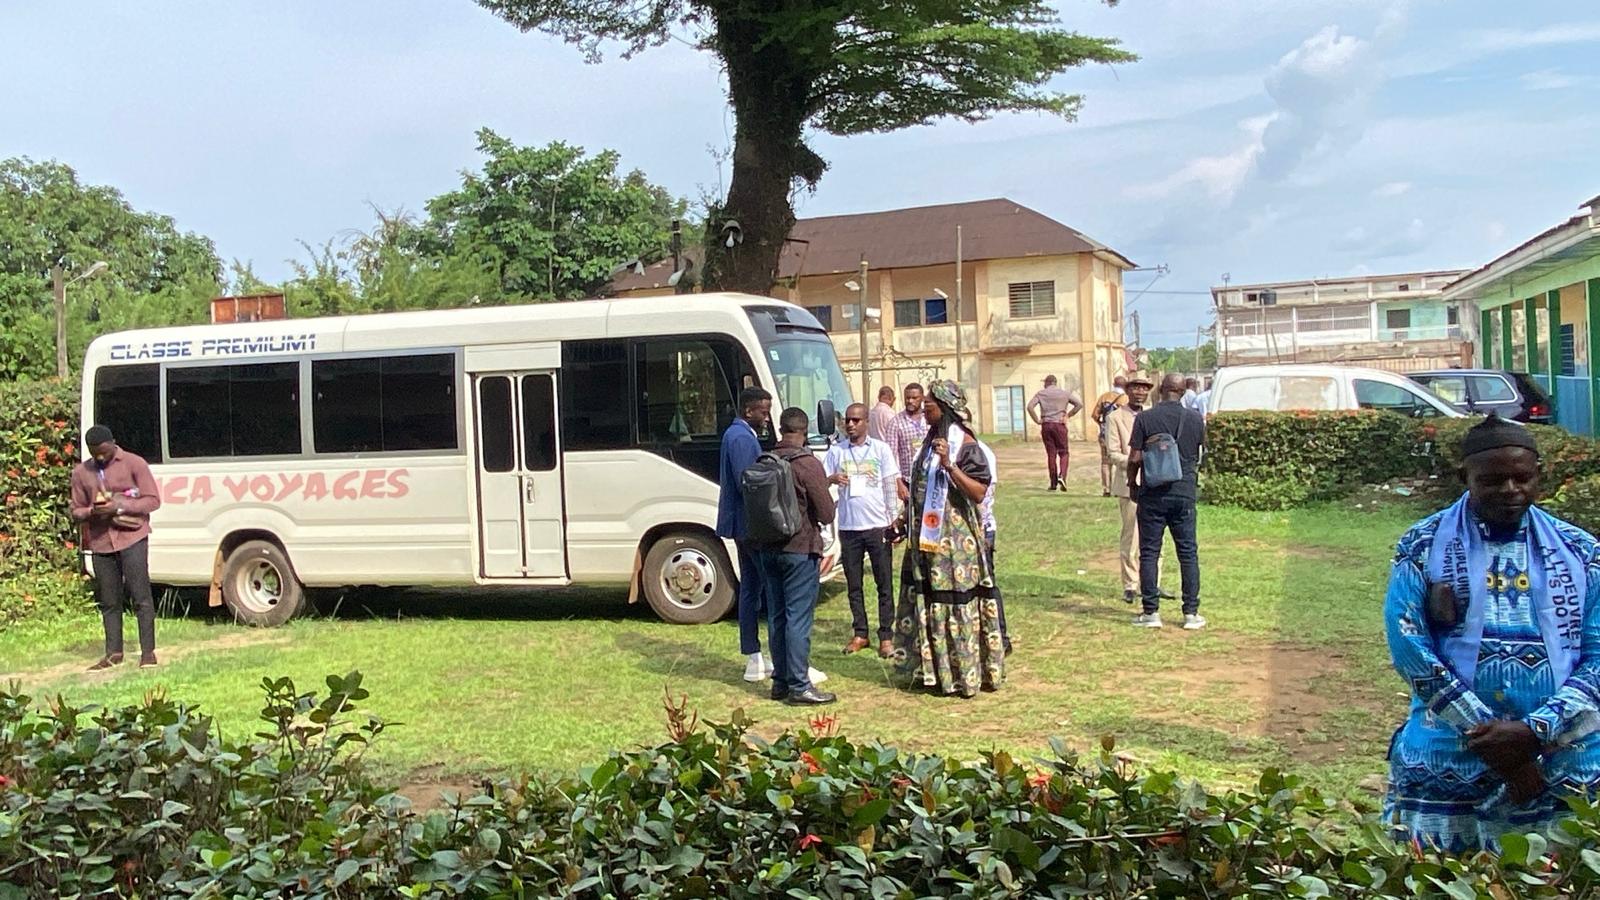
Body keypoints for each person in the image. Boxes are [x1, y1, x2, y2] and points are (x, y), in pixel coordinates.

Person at [1383, 415, 1600, 852]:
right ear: (1464, 478)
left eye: (1522, 478)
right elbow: (1409, 649)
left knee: (1557, 878)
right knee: (1440, 878)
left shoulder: (1582, 552)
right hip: (1449, 761)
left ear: (1539, 475)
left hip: (1564, 764)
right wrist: (1495, 742)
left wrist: (1534, 731)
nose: (1510, 489)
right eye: (1493, 480)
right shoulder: (1423, 546)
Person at [892, 380, 1005, 697]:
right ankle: (931, 671)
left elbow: (978, 492)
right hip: (926, 542)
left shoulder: (965, 444)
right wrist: (903, 519)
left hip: (954, 547)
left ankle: (961, 674)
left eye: (929, 404)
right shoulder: (929, 441)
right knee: (926, 598)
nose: (923, 408)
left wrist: (949, 466)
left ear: (944, 408)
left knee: (953, 602)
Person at [757, 407, 838, 706]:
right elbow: (826, 513)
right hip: (800, 549)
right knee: (798, 619)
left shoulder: (764, 460)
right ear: (804, 432)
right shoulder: (807, 464)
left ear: (780, 429)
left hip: (768, 548)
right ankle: (800, 685)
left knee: (777, 616)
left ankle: (780, 681)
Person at [70, 424, 162, 669]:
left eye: (104, 451)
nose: (100, 457)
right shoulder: (81, 473)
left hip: (132, 537)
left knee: (141, 596)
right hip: (101, 542)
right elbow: (76, 510)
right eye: (95, 453)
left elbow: (153, 501)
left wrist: (120, 506)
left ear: (113, 443)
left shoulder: (134, 463)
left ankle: (148, 653)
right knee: (109, 601)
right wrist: (92, 511)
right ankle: (113, 653)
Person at [1127, 374, 1206, 630]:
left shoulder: (1145, 418)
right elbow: (1201, 452)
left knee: (1150, 552)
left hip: (1153, 492)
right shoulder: (1195, 418)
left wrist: (1132, 484)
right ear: (1183, 392)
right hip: (1184, 492)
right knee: (1188, 553)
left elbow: (1135, 458)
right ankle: (1191, 613)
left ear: (1160, 390)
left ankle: (1151, 612)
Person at [824, 403, 900, 658]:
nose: (850, 424)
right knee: (854, 584)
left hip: (877, 526)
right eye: (847, 420)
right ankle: (860, 633)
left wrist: (892, 519)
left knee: (883, 583)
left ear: (867, 422)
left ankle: (886, 636)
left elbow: (889, 485)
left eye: (856, 420)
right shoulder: (837, 451)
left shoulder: (880, 449)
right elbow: (820, 481)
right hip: (849, 527)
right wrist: (832, 479)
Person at [717, 387, 776, 682]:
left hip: (743, 526)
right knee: (770, 588)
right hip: (750, 526)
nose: (767, 418)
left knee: (751, 588)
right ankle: (776, 656)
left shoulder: (738, 434)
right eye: (763, 412)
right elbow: (748, 482)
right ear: (748, 410)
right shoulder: (740, 438)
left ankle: (754, 657)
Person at [1107, 371, 1161, 605]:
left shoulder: (1153, 415)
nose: (1140, 392)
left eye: (1144, 388)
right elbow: (1112, 453)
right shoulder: (1115, 417)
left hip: (1155, 481)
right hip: (1130, 483)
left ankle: (1153, 581)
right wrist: (1135, 461)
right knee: (1132, 536)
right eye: (1135, 387)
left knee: (1156, 535)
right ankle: (1130, 584)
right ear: (1127, 390)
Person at [974, 436, 1012, 655]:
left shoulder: (981, 452)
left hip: (981, 530)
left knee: (986, 584)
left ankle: (1001, 637)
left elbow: (985, 498)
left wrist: (980, 531)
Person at [1027, 375, 1083, 491]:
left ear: (1047, 383)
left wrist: (1037, 420)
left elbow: (1030, 407)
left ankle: (1053, 483)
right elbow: (1079, 404)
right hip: (1059, 424)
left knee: (1051, 454)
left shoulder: (1041, 393)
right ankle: (1062, 476)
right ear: (1055, 382)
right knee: (1064, 452)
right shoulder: (1064, 393)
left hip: (1046, 424)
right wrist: (1068, 415)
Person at [886, 382, 929, 500]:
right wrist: (899, 483)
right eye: (907, 398)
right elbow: (891, 457)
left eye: (914, 398)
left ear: (922, 398)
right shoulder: (896, 423)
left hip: (930, 478)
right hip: (909, 481)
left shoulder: (929, 419)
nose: (910, 401)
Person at [1091, 376, 1129, 497]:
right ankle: (1119, 488)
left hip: (1105, 433)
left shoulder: (1104, 397)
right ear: (1125, 386)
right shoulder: (1126, 399)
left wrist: (1101, 424)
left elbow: (1095, 415)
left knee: (1105, 462)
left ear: (1113, 384)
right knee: (1121, 460)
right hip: (1121, 434)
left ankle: (1106, 489)